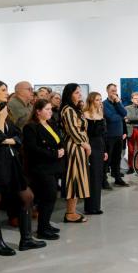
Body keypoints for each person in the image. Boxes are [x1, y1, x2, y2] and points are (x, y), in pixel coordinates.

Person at [0, 80, 45, 254]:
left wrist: (8, 139)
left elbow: (18, 135)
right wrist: (1, 121)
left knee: (27, 196)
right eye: (3, 90)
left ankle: (26, 239)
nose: (7, 93)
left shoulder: (5, 110)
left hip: (11, 161)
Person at [23, 98, 65, 239]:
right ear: (38, 111)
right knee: (48, 197)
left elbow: (59, 139)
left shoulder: (50, 123)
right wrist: (54, 153)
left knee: (51, 197)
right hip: (41, 167)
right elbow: (33, 149)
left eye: (50, 109)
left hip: (54, 165)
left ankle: (45, 224)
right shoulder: (31, 127)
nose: (50, 112)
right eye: (47, 109)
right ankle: (42, 229)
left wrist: (61, 149)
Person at [60, 83, 91, 222]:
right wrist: (85, 144)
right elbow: (72, 130)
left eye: (80, 92)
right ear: (69, 94)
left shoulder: (75, 109)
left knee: (78, 178)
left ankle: (71, 211)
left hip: (80, 146)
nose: (80, 94)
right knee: (74, 179)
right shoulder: (68, 110)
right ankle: (70, 213)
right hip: (75, 147)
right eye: (76, 92)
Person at [83, 91, 108, 215]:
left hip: (100, 146)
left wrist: (105, 151)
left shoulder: (101, 114)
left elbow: (103, 135)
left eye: (100, 99)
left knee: (98, 176)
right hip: (90, 146)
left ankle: (96, 206)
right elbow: (84, 134)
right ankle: (89, 207)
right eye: (97, 99)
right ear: (91, 100)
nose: (99, 102)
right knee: (91, 177)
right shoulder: (85, 115)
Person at [103, 83, 129, 187]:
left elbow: (124, 113)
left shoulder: (118, 102)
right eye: (112, 91)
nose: (114, 93)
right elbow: (111, 118)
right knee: (107, 159)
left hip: (119, 135)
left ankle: (117, 178)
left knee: (117, 158)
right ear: (107, 91)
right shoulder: (104, 104)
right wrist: (120, 115)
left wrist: (118, 103)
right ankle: (103, 180)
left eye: (115, 90)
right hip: (109, 136)